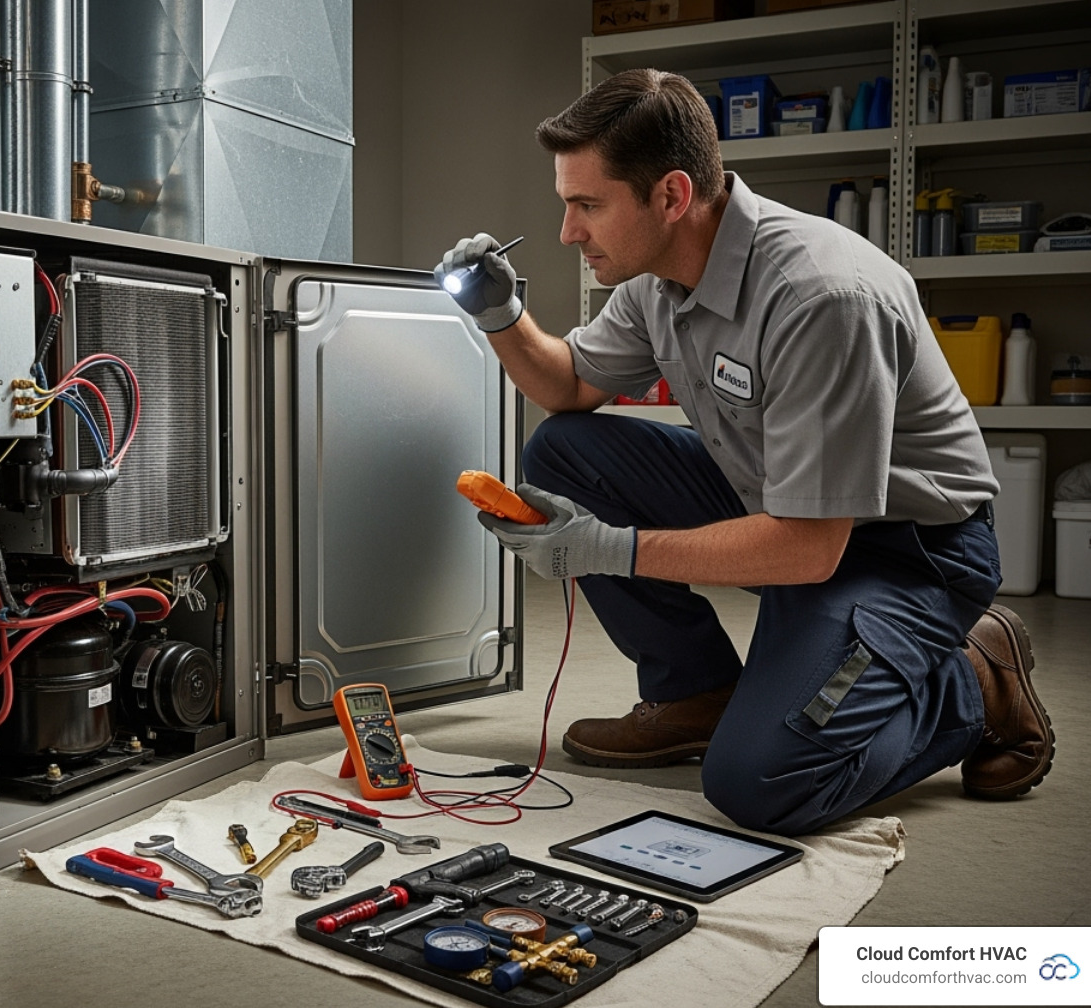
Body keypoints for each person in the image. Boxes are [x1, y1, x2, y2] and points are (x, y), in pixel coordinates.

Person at [434, 69, 1053, 836]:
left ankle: (971, 681)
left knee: (762, 783)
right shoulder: (657, 281)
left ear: (671, 195)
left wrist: (609, 550)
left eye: (587, 205)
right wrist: (499, 313)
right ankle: (695, 695)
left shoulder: (821, 298)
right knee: (568, 451)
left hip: (903, 552)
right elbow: (566, 386)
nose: (568, 232)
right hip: (780, 506)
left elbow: (808, 549)